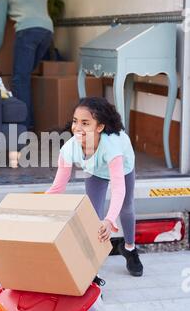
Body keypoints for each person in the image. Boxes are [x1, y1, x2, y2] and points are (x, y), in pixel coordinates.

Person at [46, 97, 143, 277]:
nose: (77, 127)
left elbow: (118, 189)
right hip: (96, 171)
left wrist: (109, 220)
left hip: (123, 167)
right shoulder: (69, 149)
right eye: (75, 121)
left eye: (85, 123)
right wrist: (40, 207)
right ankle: (93, 271)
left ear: (99, 127)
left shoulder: (112, 146)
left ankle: (129, 248)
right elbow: (57, 187)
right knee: (93, 216)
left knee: (126, 207)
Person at [0, 0, 54, 129]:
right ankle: (31, 122)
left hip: (27, 32)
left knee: (20, 80)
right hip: (47, 32)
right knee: (26, 76)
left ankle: (24, 127)